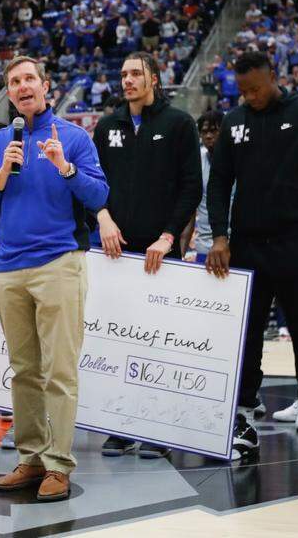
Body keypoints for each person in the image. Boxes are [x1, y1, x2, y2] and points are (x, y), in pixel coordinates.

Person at [0, 56, 108, 502]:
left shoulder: (73, 138)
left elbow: (99, 194)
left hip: (59, 263)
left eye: (30, 78)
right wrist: (0, 172)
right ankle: (30, 459)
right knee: (25, 371)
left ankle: (58, 464)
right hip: (9, 267)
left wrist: (64, 167)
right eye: (15, 81)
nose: (23, 86)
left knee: (60, 372)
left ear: (45, 87)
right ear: (9, 93)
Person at [206, 51, 298, 467]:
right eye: (242, 90)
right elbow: (219, 184)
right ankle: (244, 425)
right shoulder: (234, 122)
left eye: (255, 88)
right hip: (247, 247)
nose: (249, 96)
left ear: (274, 77)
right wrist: (219, 236)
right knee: (246, 339)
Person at [92, 51, 202, 458]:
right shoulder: (107, 127)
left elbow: (191, 187)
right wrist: (103, 218)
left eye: (136, 73)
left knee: (160, 342)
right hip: (115, 252)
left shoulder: (179, 124)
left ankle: (159, 426)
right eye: (123, 74)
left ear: (154, 78)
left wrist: (169, 236)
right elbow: (93, 182)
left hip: (161, 253)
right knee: (120, 341)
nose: (128, 80)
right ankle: (122, 424)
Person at [181, 110, 223, 264]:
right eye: (204, 132)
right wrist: (182, 253)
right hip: (204, 248)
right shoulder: (197, 161)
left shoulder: (239, 160)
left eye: (214, 131)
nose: (208, 136)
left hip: (234, 247)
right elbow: (190, 210)